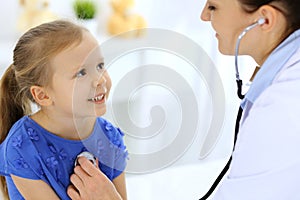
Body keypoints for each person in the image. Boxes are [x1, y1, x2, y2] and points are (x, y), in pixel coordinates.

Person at [0, 20, 128, 200]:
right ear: (42, 95)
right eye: (81, 73)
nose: (100, 80)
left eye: (99, 65)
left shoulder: (109, 138)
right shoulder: (22, 147)